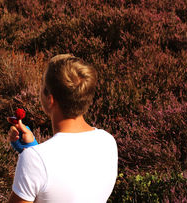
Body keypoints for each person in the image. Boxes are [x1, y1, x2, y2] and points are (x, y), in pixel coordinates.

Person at [7, 54, 118, 203]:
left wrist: (33, 156)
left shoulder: (35, 159)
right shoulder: (107, 141)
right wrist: (34, 150)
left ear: (50, 99)